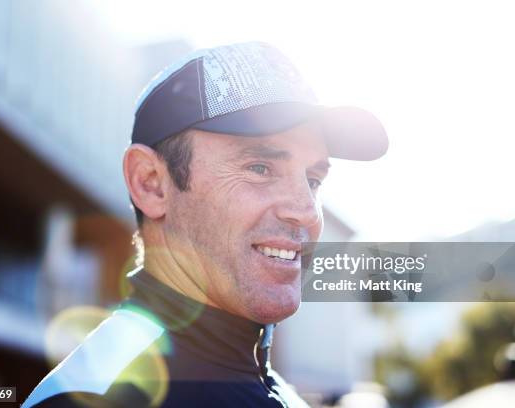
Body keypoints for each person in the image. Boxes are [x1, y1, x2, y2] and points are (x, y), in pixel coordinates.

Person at [23, 41, 388, 408]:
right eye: (259, 168)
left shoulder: (286, 398)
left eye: (313, 180)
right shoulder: (88, 399)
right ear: (151, 182)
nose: (307, 212)